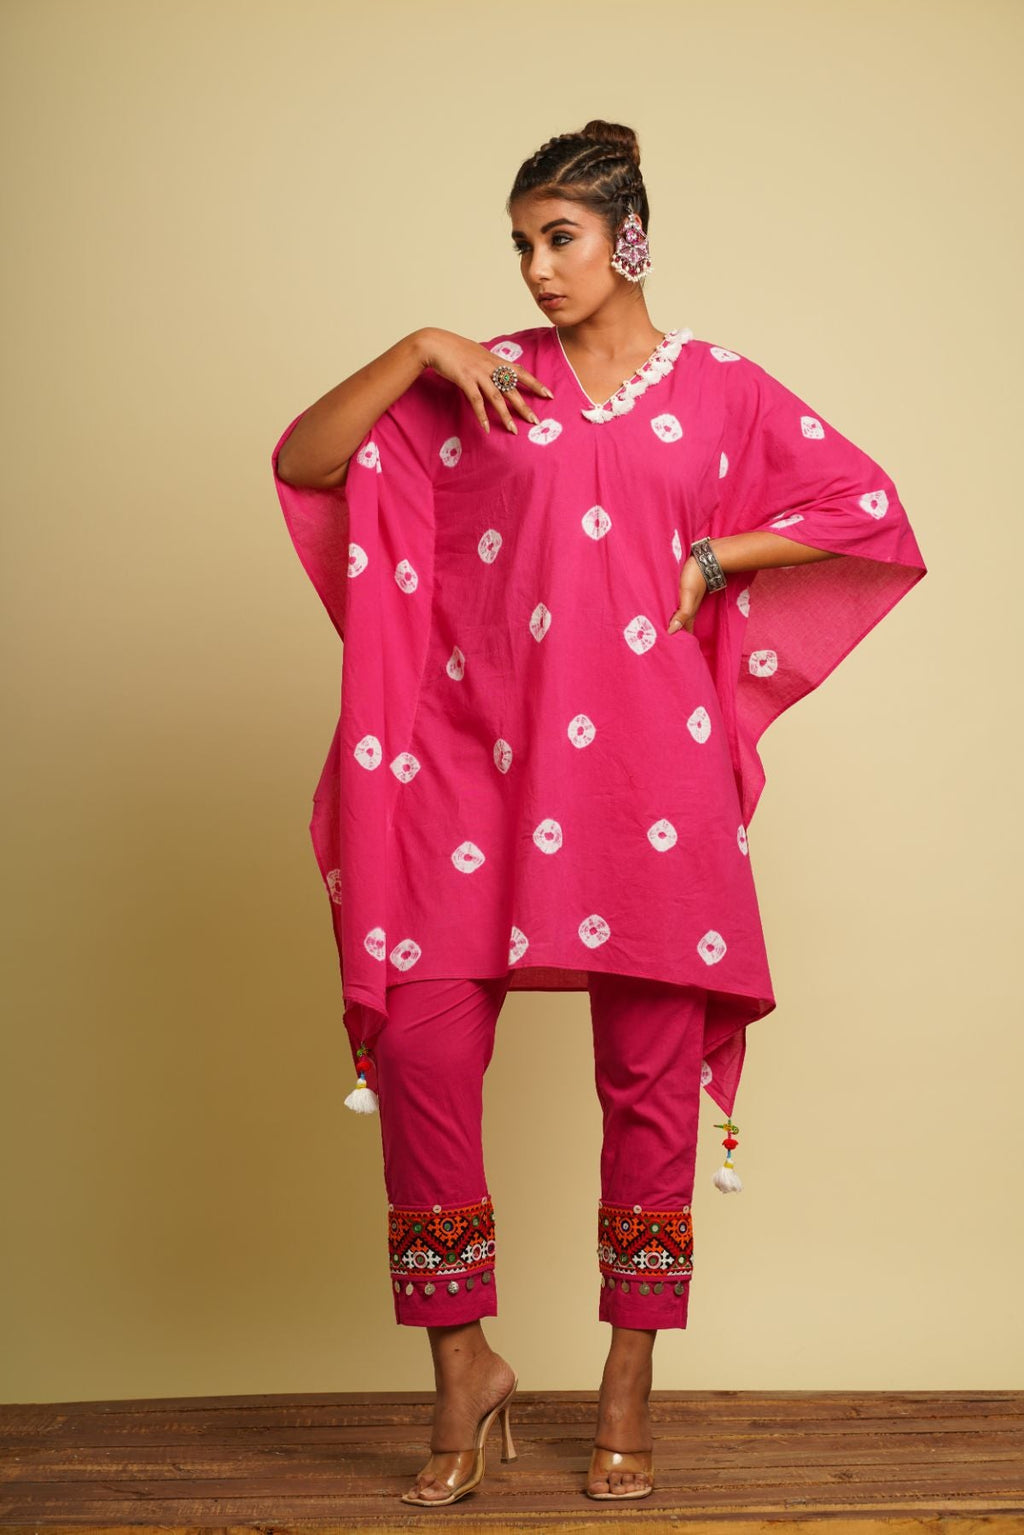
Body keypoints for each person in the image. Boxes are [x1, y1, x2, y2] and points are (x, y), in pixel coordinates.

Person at [271, 120, 927, 1507]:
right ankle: (465, 1370)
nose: (536, 267)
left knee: (649, 1081)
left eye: (558, 238)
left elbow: (869, 508)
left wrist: (721, 553)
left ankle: (629, 1382)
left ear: (629, 239)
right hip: (469, 767)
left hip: (647, 780)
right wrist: (417, 348)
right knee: (422, 1053)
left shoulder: (724, 389)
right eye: (520, 243)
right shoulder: (483, 382)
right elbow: (311, 458)